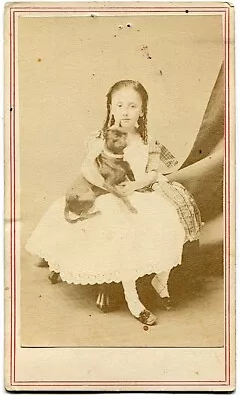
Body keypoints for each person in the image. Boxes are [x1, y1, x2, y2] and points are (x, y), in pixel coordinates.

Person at [25, 80, 202, 326]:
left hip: (139, 191)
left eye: (132, 106)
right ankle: (133, 299)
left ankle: (160, 281)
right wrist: (111, 188)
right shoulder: (102, 138)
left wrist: (134, 186)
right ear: (110, 108)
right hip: (107, 193)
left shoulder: (149, 141)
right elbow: (87, 168)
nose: (126, 111)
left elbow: (151, 173)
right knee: (123, 232)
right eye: (119, 105)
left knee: (170, 219)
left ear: (142, 110)